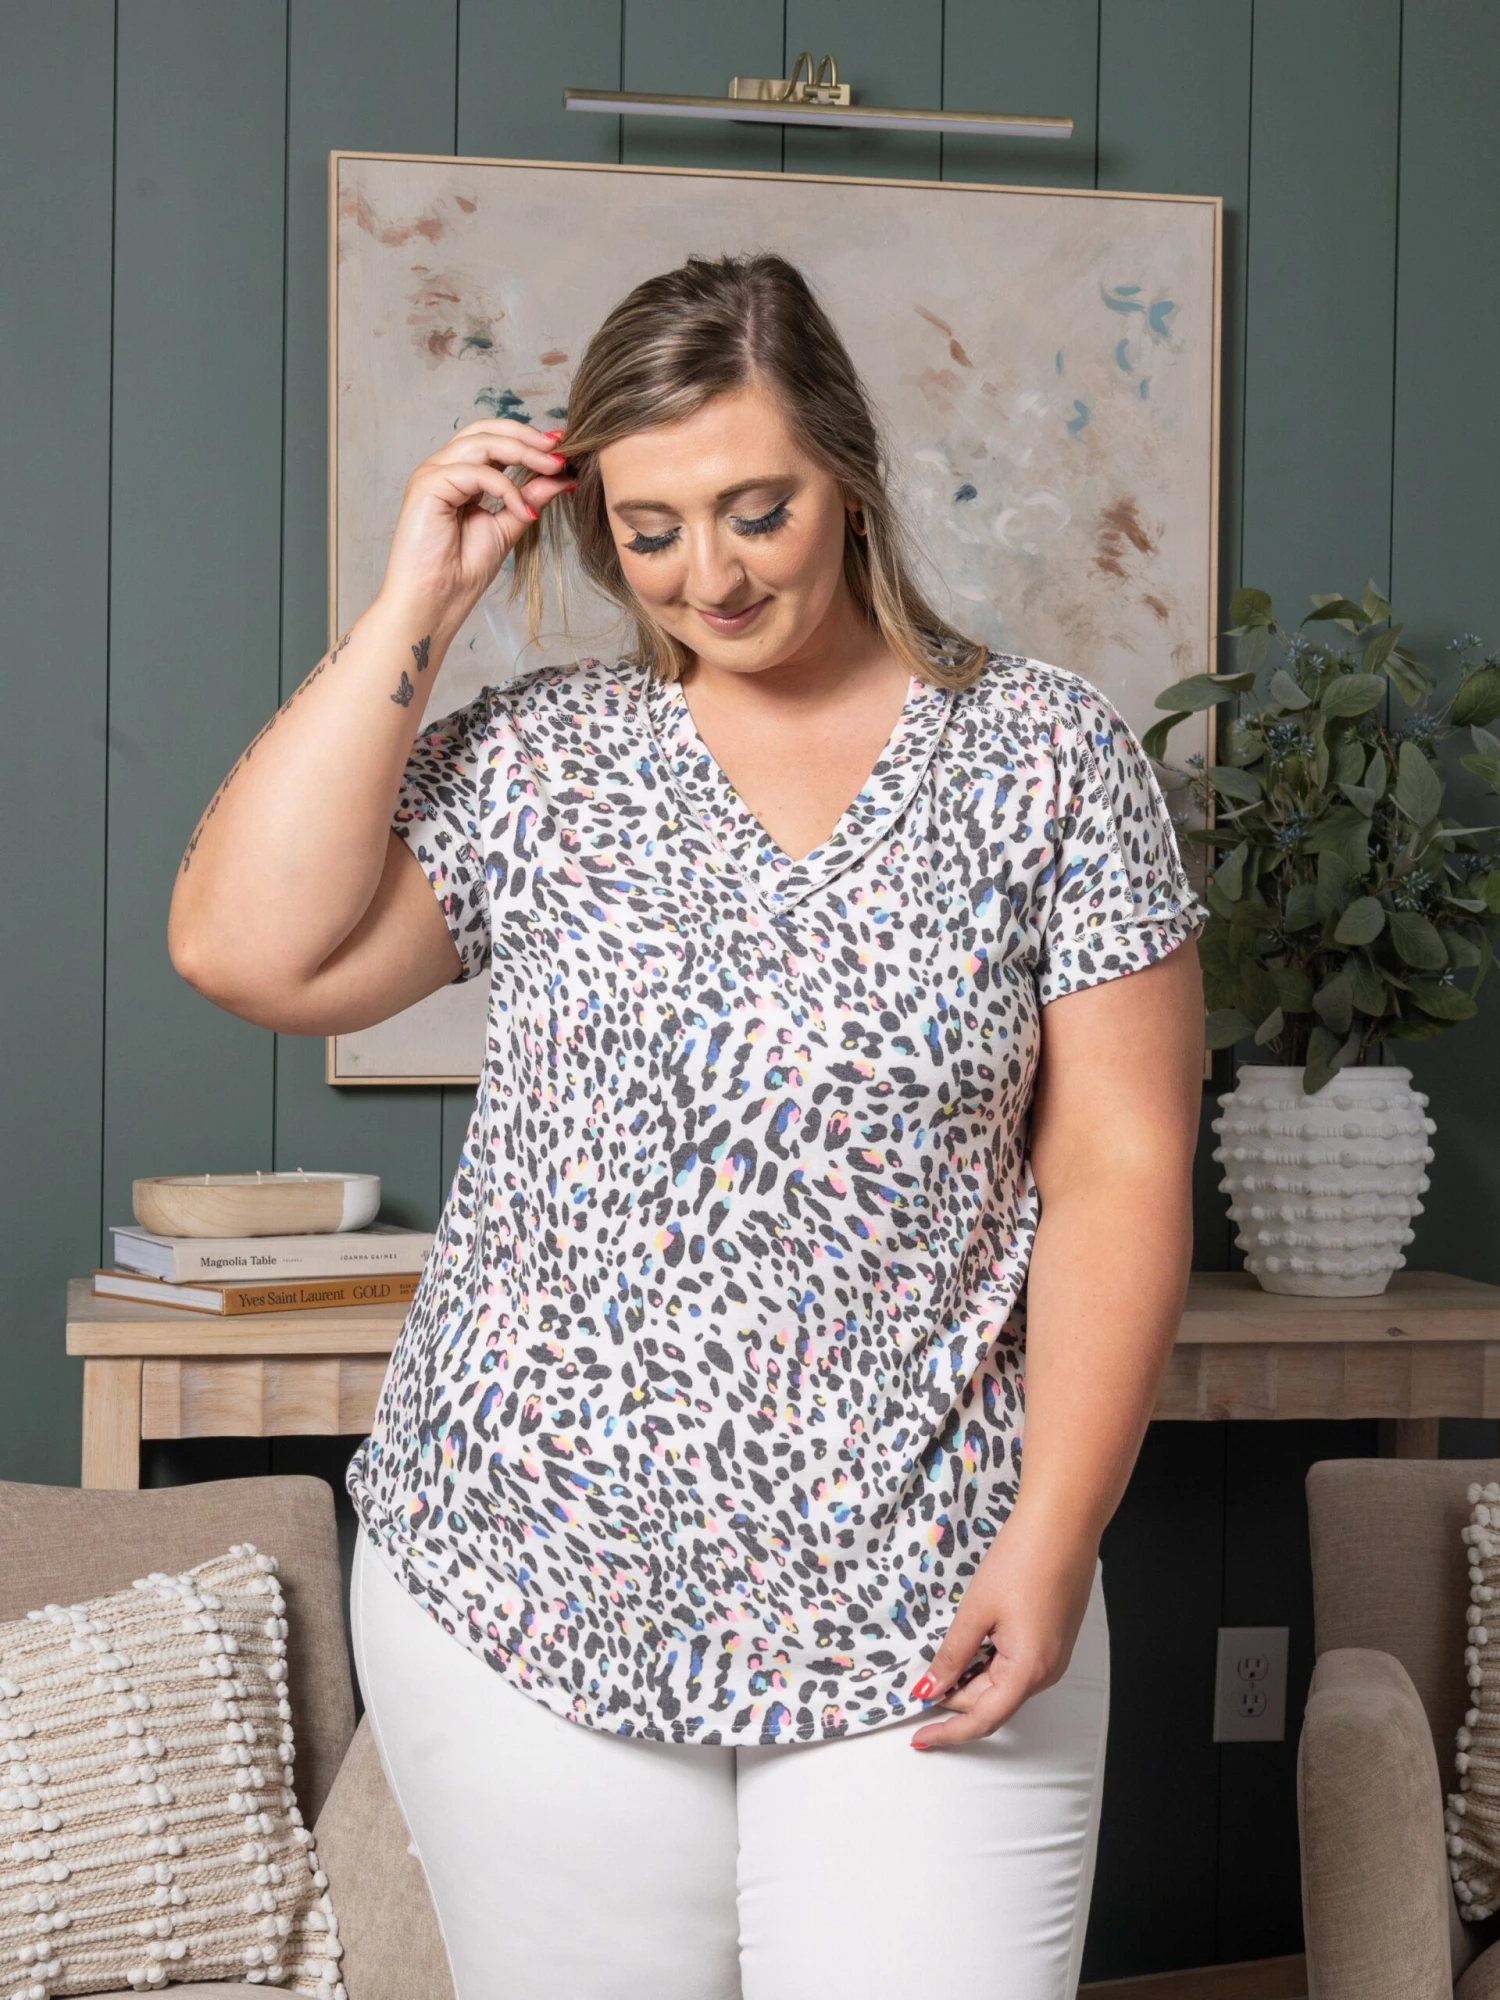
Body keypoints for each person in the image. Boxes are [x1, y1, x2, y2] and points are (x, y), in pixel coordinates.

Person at [167, 250, 1207, 2000]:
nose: (709, 575)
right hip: (524, 1575)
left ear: (848, 476)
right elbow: (244, 948)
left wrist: (1056, 1536)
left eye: (756, 511)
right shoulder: (543, 760)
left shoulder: (1045, 758)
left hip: (927, 1571)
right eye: (650, 531)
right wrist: (421, 594)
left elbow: (1119, 1165)